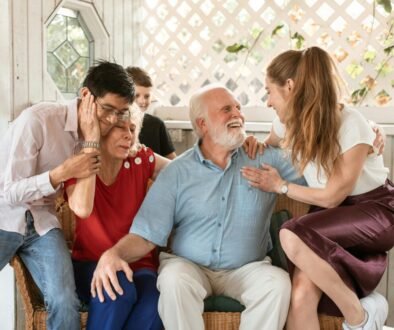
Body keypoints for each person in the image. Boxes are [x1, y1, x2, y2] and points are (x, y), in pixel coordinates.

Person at [89, 84, 308, 330]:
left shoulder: (264, 158)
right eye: (227, 109)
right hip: (189, 266)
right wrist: (114, 254)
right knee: (172, 280)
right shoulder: (177, 172)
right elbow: (146, 234)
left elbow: (317, 171)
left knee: (277, 284)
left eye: (238, 108)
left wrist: (282, 171)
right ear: (203, 124)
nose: (237, 114)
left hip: (248, 268)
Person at [241, 47, 394, 330]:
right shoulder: (287, 124)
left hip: (374, 212)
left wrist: (281, 186)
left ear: (290, 87)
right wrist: (252, 141)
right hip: (329, 221)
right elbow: (269, 141)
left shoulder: (352, 124)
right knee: (299, 296)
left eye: (269, 92)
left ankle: (359, 318)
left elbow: (333, 197)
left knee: (290, 234)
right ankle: (363, 309)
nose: (268, 101)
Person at [0, 60, 134, 329]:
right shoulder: (39, 120)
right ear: (86, 95)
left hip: (42, 223)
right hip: (5, 215)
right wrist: (58, 174)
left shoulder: (100, 137)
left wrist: (92, 141)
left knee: (64, 302)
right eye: (107, 109)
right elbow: (10, 192)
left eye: (120, 113)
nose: (111, 120)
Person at [65, 105, 169, 330]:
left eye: (132, 129)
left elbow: (181, 171)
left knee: (157, 304)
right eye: (120, 127)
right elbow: (79, 207)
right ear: (102, 131)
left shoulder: (140, 159)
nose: (128, 135)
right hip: (89, 263)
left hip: (140, 264)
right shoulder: (81, 163)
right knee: (118, 290)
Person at [125, 66, 177, 159]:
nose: (142, 101)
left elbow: (172, 161)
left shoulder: (157, 124)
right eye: (136, 95)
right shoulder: (118, 125)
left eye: (147, 96)